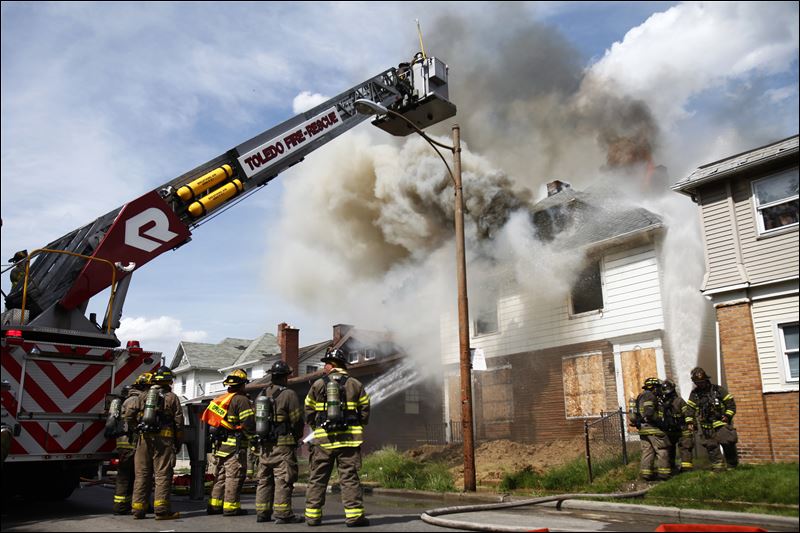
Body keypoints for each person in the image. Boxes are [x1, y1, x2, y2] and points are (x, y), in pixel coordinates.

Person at [304, 347, 371, 527]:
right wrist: (358, 425)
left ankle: (312, 516)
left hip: (324, 441)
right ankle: (355, 517)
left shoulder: (318, 384)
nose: (324, 367)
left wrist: (316, 428)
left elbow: (308, 410)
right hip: (349, 440)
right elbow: (365, 411)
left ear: (332, 365)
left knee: (318, 477)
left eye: (326, 363)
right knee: (349, 478)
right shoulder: (356, 384)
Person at [128, 367, 183, 520]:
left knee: (142, 474)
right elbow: (179, 422)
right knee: (162, 475)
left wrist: (136, 428)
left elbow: (129, 414)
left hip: (143, 439)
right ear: (169, 381)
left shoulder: (143, 395)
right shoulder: (172, 397)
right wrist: (178, 442)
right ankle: (162, 511)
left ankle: (138, 510)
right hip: (164, 441)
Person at [254, 361, 305, 524]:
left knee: (264, 480)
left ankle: (262, 512)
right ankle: (283, 514)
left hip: (264, 446)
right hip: (283, 446)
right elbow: (297, 420)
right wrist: (297, 437)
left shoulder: (261, 394)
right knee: (283, 479)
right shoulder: (289, 394)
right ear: (285, 377)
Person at [203, 368, 254, 517]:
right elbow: (248, 423)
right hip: (234, 447)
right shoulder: (241, 400)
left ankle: (214, 505)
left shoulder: (220, 399)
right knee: (234, 476)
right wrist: (254, 438)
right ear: (243, 384)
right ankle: (231, 507)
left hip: (220, 446)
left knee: (221, 476)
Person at [112, 372, 152, 515]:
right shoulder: (134, 399)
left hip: (128, 441)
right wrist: (138, 427)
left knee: (132, 475)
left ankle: (126, 504)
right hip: (129, 442)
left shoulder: (133, 398)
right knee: (128, 475)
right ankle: (121, 506)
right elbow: (130, 418)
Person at [685, 367, 738, 471]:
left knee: (728, 443)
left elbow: (731, 404)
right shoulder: (694, 394)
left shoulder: (718, 390)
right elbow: (690, 409)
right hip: (706, 427)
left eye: (701, 382)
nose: (699, 384)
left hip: (721, 423)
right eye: (697, 382)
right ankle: (718, 468)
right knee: (711, 447)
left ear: (706, 380)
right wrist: (690, 422)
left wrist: (727, 416)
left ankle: (732, 465)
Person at [636, 377, 670, 481]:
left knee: (648, 452)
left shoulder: (641, 396)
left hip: (643, 429)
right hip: (653, 428)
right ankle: (664, 475)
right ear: (654, 387)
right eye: (658, 387)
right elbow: (649, 412)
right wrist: (660, 422)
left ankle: (646, 474)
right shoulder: (650, 396)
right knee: (662, 450)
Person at [659, 379, 694, 475]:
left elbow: (660, 417)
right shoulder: (679, 401)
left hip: (670, 431)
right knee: (685, 449)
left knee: (670, 449)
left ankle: (671, 467)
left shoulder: (662, 404)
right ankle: (686, 470)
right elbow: (687, 413)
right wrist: (690, 423)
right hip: (682, 429)